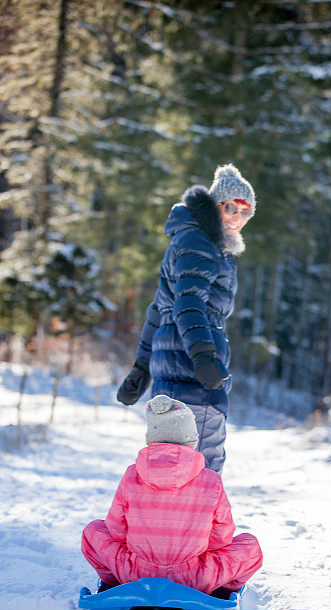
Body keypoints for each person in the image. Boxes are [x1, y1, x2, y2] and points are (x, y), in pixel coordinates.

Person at [116, 163, 256, 474]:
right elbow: (188, 304)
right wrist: (204, 355)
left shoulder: (190, 238)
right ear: (214, 206)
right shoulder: (201, 243)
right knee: (202, 469)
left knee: (166, 468)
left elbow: (160, 309)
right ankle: (201, 524)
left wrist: (141, 369)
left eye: (246, 213)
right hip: (194, 375)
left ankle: (158, 522)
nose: (238, 217)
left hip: (170, 373)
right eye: (232, 207)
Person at [81, 395, 263, 596]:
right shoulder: (211, 481)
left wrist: (135, 554)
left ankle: (114, 585)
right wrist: (198, 555)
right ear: (191, 438)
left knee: (93, 531)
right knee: (250, 545)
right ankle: (219, 593)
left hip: (135, 574)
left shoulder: (132, 474)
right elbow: (222, 536)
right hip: (195, 578)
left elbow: (116, 528)